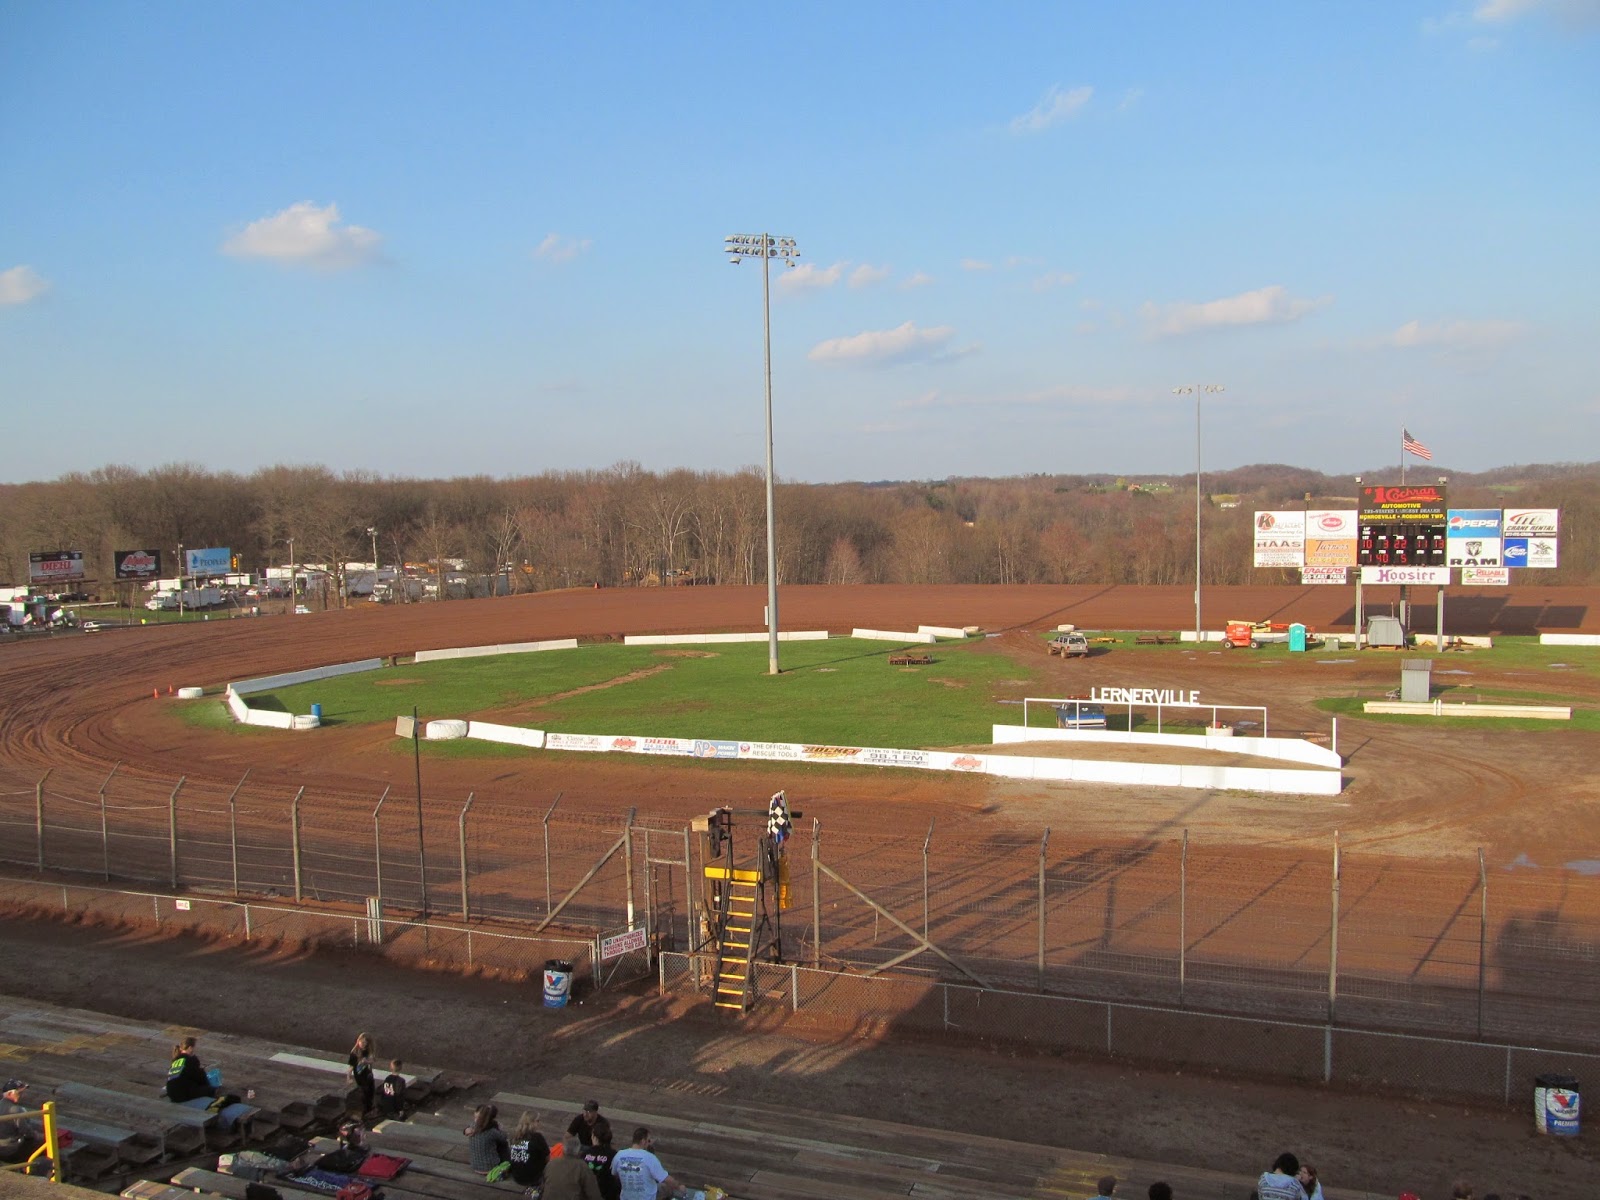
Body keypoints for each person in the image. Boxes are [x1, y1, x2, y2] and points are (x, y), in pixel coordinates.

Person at [611, 1127, 685, 1200]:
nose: (649, 1143)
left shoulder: (619, 1155)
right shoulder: (649, 1157)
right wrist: (679, 1186)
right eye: (648, 1141)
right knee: (667, 1188)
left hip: (626, 1197)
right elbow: (665, 1179)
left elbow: (614, 1173)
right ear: (643, 1141)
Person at [542, 1135, 602, 1200]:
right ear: (578, 1150)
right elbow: (594, 1194)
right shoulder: (582, 1167)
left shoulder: (551, 1163)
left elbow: (543, 1186)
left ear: (563, 1148)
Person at [1, 1079, 44, 1167]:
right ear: (10, 1094)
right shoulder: (16, 1110)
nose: (22, 1095)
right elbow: (27, 1133)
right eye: (20, 1093)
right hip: (10, 1151)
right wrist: (40, 1136)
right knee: (41, 1142)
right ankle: (32, 1167)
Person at [508, 1111, 552, 1190]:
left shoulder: (514, 1136)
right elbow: (548, 1158)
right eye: (537, 1121)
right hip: (533, 1178)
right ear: (532, 1123)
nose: (539, 1123)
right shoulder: (537, 1137)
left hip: (517, 1176)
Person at [166, 1036, 216, 1104]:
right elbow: (200, 1078)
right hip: (181, 1094)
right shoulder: (191, 1060)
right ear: (190, 1048)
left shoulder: (176, 1060)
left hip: (171, 1093)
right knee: (211, 1090)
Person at [465, 1103, 510, 1175]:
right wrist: (501, 1130)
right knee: (503, 1144)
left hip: (475, 1166)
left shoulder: (472, 1126)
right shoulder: (492, 1132)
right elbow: (504, 1138)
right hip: (491, 1167)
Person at [582, 1119, 621, 1200]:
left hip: (588, 1194)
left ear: (594, 1137)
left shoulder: (585, 1153)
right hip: (608, 1194)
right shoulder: (613, 1154)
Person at [348, 1033, 376, 1116]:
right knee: (364, 1092)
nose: (363, 1044)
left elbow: (372, 1060)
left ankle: (370, 1107)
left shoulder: (368, 1051)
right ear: (358, 1041)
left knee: (371, 1090)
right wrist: (348, 1077)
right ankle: (365, 1110)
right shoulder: (354, 1053)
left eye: (364, 1042)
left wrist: (367, 1062)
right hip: (360, 1075)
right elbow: (351, 1067)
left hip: (368, 1074)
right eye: (361, 1042)